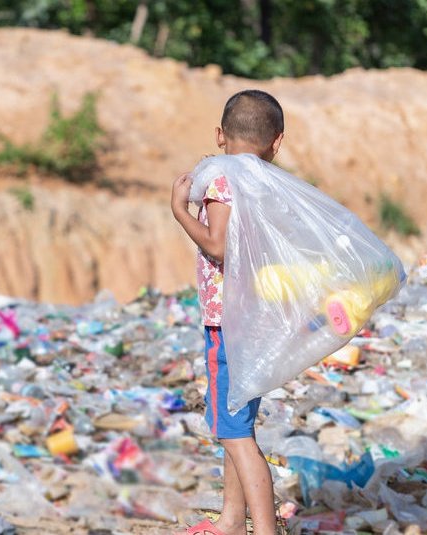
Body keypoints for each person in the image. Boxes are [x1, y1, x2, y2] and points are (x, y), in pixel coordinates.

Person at [170, 89, 284, 535]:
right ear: (277, 143)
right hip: (254, 320)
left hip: (227, 325)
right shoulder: (269, 183)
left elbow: (217, 245)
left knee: (234, 435)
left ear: (220, 136)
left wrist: (180, 211)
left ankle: (264, 529)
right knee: (240, 424)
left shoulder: (221, 180)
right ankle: (232, 521)